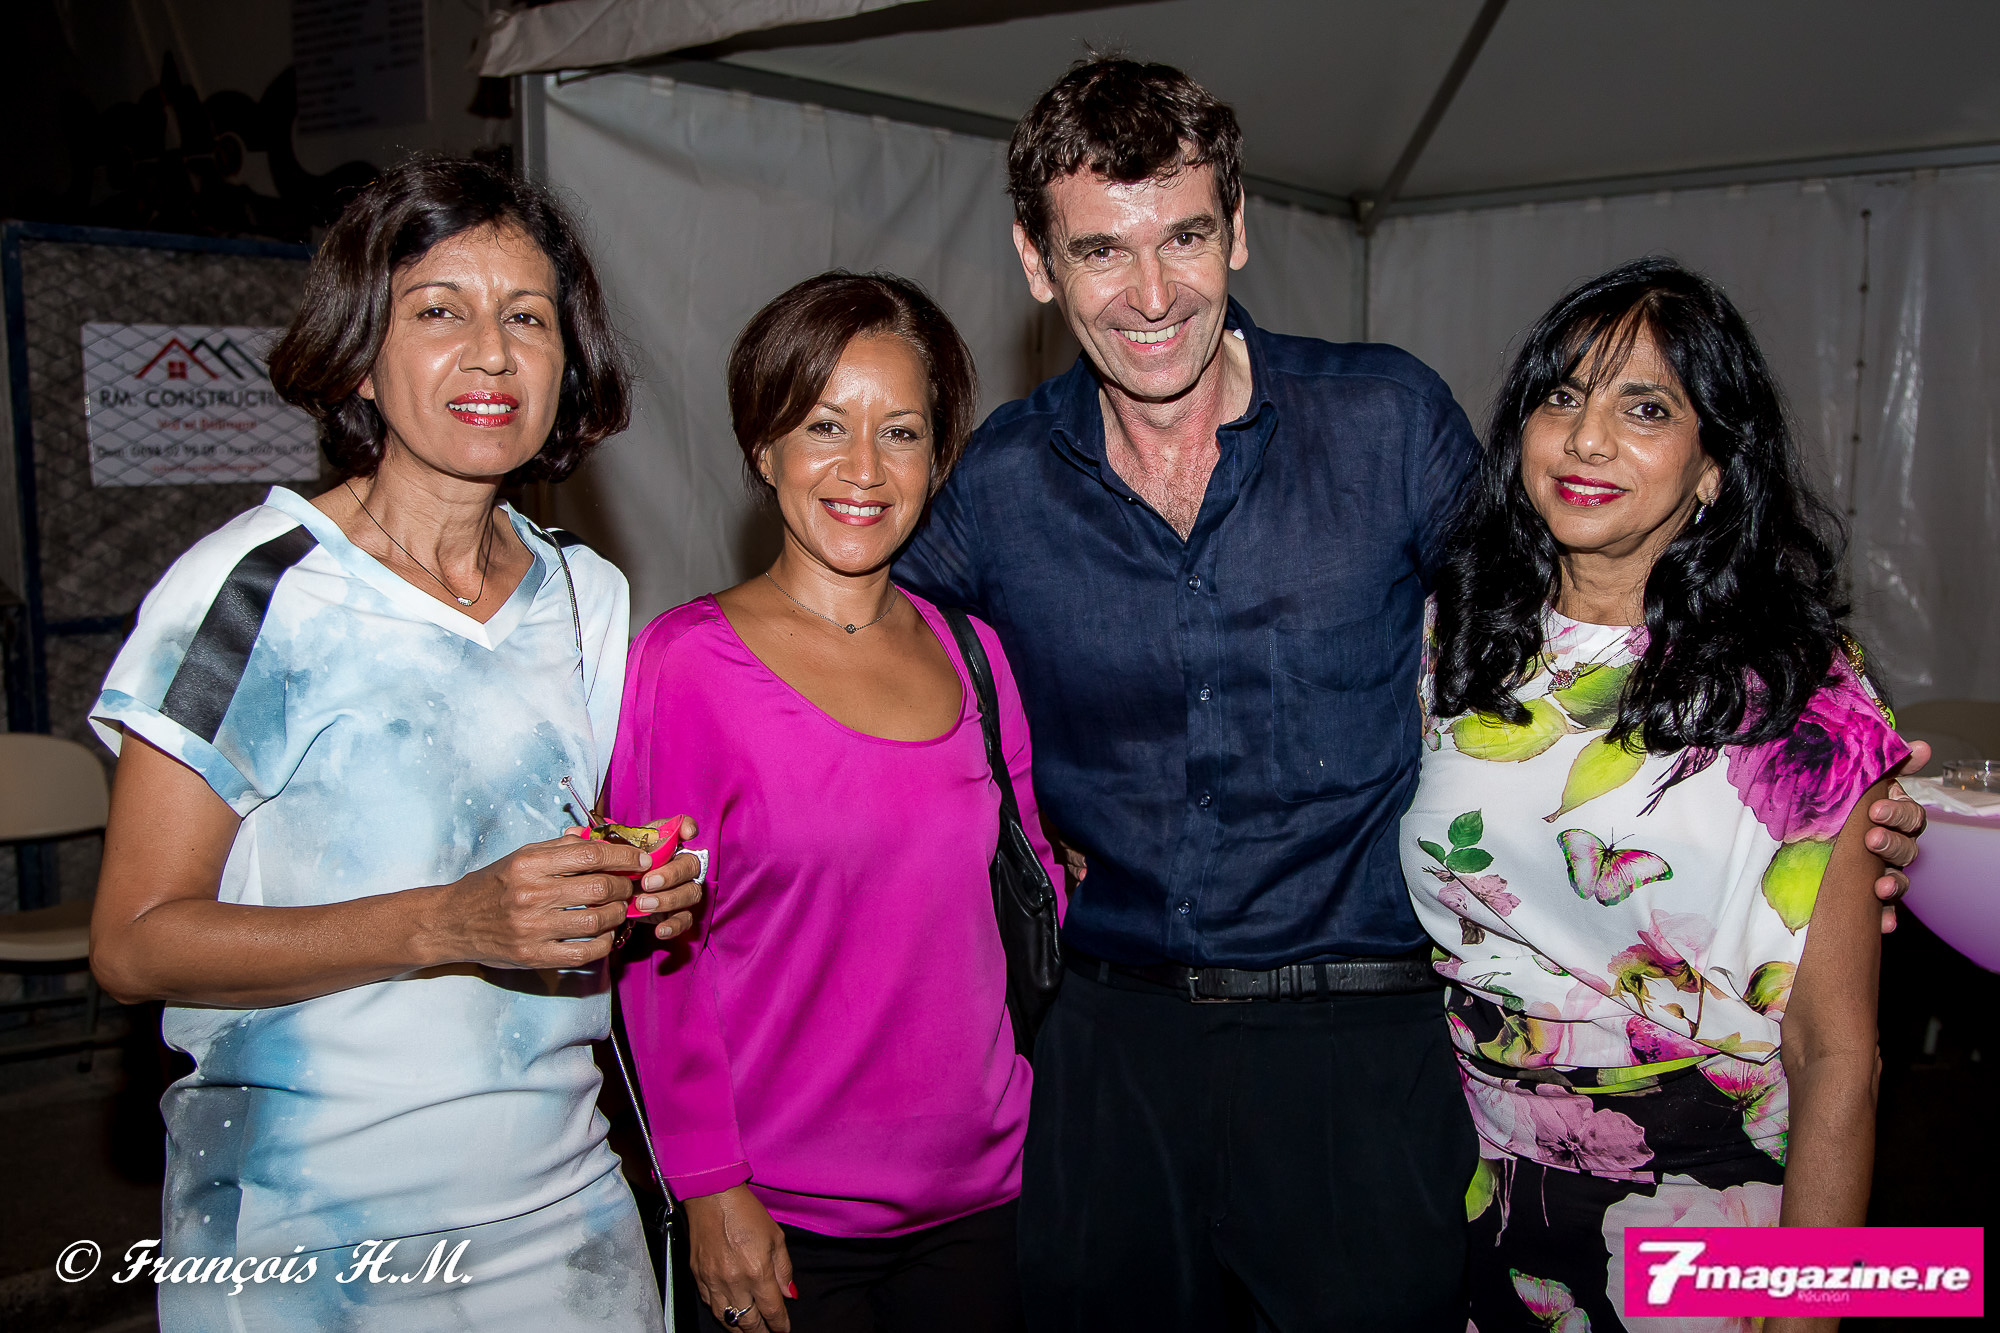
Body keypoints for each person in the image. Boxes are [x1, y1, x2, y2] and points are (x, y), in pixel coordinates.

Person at [893, 58, 1930, 1331]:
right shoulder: (1000, 481)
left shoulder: (1384, 423)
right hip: (1151, 1053)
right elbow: (868, 661)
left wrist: (1847, 817)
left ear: (1238, 229)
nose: (1151, 294)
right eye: (1101, 250)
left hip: (1399, 1064)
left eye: (1185, 238)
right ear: (1036, 261)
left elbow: (1838, 1051)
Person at [87, 158, 704, 1331]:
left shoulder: (586, 596)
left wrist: (637, 892)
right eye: (438, 311)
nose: (492, 354)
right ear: (361, 356)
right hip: (309, 1236)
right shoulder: (251, 592)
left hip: (564, 1221)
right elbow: (132, 942)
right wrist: (446, 922)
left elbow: (553, 868)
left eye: (528, 318)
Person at [1406, 258, 1904, 1333]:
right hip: (1471, 1192)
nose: (1586, 439)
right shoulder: (1455, 642)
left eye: (1644, 408)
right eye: (1561, 396)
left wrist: (1806, 1312)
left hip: (1703, 1203)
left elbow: (1837, 1059)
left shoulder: (1802, 697)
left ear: (1712, 465)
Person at [610, 272, 1061, 1333]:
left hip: (991, 1202)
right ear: (762, 447)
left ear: (937, 458)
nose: (863, 468)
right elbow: (654, 952)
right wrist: (707, 1183)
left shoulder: (976, 656)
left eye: (900, 431)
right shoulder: (687, 666)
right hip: (781, 1222)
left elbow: (1026, 890)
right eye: (824, 425)